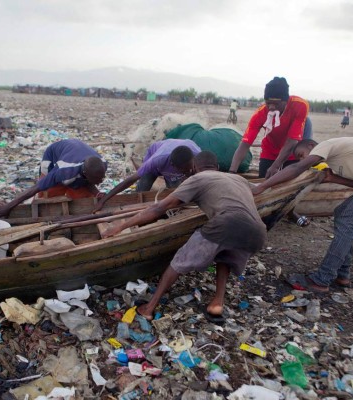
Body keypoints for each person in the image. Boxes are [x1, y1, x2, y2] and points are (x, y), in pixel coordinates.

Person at [102, 151, 267, 322]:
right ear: (217, 167)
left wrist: (120, 226)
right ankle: (217, 303)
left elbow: (158, 209)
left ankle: (149, 308)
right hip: (257, 231)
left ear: (194, 168)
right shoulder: (238, 179)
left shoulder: (197, 178)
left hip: (227, 223)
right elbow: (260, 189)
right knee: (225, 255)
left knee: (178, 262)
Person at [251, 138, 353, 293]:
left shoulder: (325, 145)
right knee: (344, 215)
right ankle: (342, 274)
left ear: (311, 146)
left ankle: (321, 280)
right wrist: (331, 178)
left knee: (347, 221)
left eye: (301, 154)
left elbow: (297, 168)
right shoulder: (339, 157)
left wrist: (261, 187)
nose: (303, 159)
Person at [0, 139, 107, 217]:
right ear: (85, 174)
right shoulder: (63, 170)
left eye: (101, 178)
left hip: (74, 154)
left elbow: (89, 181)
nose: (100, 182)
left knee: (82, 197)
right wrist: (8, 207)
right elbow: (36, 188)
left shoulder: (102, 164)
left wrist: (97, 193)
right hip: (53, 158)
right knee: (47, 194)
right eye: (97, 180)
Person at [229, 77, 310, 179]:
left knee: (290, 184)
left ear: (286, 101)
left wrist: (275, 166)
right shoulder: (259, 114)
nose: (271, 107)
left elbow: (292, 141)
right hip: (270, 150)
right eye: (268, 103)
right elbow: (245, 145)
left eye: (276, 104)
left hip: (292, 150)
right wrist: (232, 172)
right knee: (264, 179)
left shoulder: (300, 105)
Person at [92, 139, 200, 212]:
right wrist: (103, 200)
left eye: (188, 170)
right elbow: (129, 181)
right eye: (183, 171)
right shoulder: (156, 161)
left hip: (176, 154)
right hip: (156, 154)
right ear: (173, 166)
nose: (186, 173)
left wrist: (189, 174)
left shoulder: (197, 155)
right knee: (143, 186)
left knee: (175, 194)